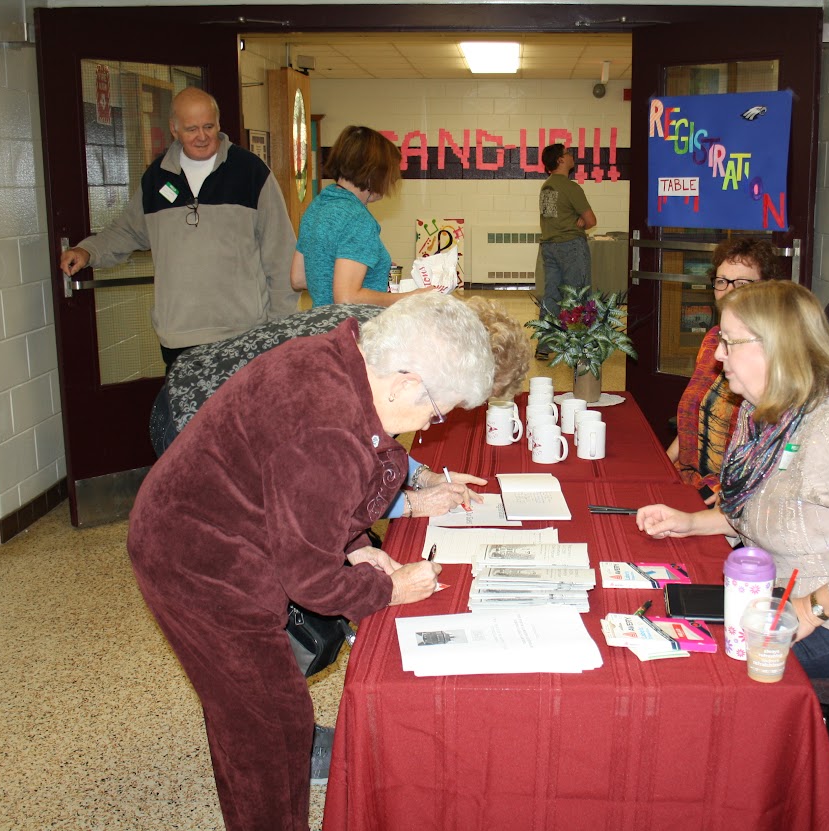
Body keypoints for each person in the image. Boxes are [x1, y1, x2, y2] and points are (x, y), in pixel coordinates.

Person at [127, 292, 496, 831]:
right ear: (406, 383)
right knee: (272, 726)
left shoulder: (340, 361)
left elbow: (303, 495)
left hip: (208, 524)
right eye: (439, 411)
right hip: (197, 561)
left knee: (241, 708)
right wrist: (388, 590)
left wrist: (354, 546)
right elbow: (311, 580)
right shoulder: (328, 427)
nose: (434, 425)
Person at [635, 281, 829, 679]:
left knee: (703, 667)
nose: (718, 355)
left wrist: (808, 610)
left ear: (776, 349)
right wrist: (690, 522)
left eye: (729, 342)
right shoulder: (760, 414)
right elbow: (759, 508)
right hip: (775, 595)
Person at [147, 296, 531, 519]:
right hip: (194, 406)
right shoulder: (388, 357)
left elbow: (371, 441)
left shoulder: (406, 334)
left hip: (213, 386)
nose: (454, 408)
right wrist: (411, 504)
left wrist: (422, 476)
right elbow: (321, 489)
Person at [57, 88, 296, 368]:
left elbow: (281, 254)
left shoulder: (251, 172)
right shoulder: (156, 178)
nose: (202, 136)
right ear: (174, 129)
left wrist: (278, 330)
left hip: (243, 334)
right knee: (188, 414)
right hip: (179, 338)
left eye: (208, 126)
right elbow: (127, 231)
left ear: (219, 124)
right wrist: (88, 251)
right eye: (191, 128)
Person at [668, 238, 783, 498]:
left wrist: (726, 497)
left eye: (742, 283)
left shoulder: (768, 356)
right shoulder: (712, 340)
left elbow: (769, 452)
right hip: (688, 479)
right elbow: (693, 416)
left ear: (766, 288)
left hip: (728, 492)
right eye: (722, 281)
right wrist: (662, 465)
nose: (729, 291)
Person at [293, 125, 432, 307]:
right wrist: (413, 297)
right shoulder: (358, 219)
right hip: (353, 329)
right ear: (373, 173)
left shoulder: (318, 206)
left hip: (321, 326)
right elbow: (346, 298)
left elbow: (299, 278)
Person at [536, 143, 596, 357]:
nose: (572, 156)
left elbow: (554, 216)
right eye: (568, 153)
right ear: (560, 160)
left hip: (549, 247)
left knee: (551, 295)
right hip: (571, 247)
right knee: (578, 295)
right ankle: (580, 346)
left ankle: (545, 345)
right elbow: (591, 220)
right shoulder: (570, 187)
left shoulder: (547, 186)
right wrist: (580, 221)